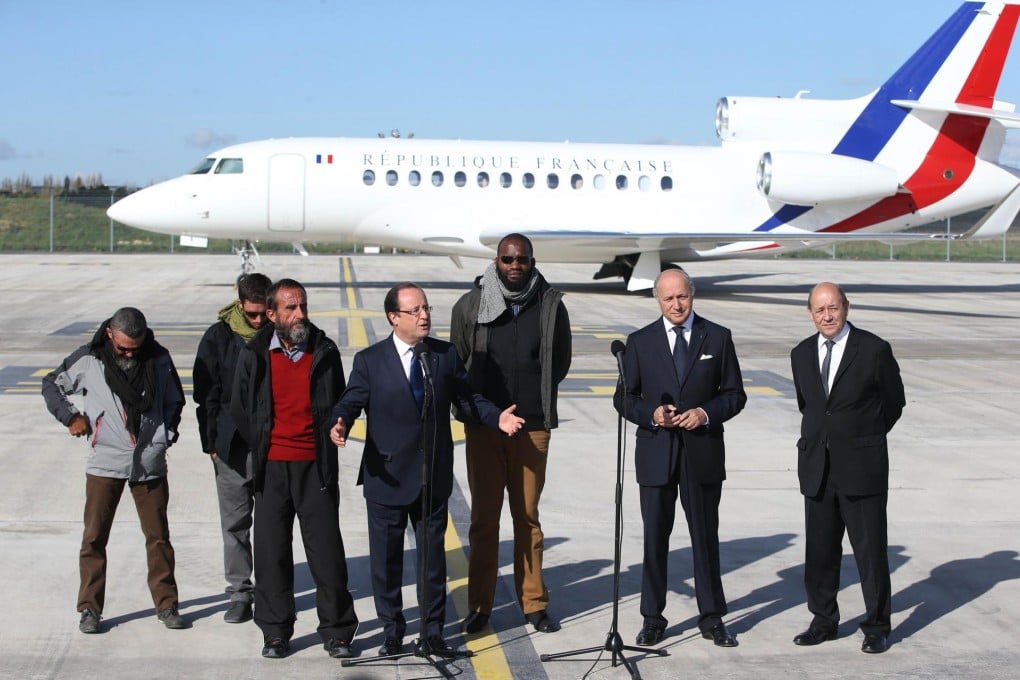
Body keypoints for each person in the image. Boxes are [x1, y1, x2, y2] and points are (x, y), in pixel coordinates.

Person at [329, 282, 524, 657]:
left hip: (431, 476)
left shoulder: (444, 356)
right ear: (393, 317)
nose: (424, 316)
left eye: (426, 308)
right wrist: (341, 421)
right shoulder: (370, 360)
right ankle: (392, 630)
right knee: (386, 564)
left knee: (432, 563)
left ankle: (432, 631)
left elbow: (467, 400)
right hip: (385, 476)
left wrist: (494, 416)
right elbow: (352, 399)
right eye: (415, 310)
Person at [613, 268, 746, 648]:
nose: (676, 304)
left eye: (682, 296)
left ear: (692, 294)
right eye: (668, 298)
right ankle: (652, 618)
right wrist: (651, 415)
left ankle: (712, 616)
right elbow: (623, 397)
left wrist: (705, 413)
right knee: (654, 539)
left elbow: (735, 394)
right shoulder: (639, 342)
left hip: (701, 453)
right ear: (658, 300)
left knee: (705, 538)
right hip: (657, 455)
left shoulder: (718, 337)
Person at [230, 278, 359, 660]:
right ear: (271, 315)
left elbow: (339, 401)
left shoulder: (325, 350)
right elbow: (241, 406)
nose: (300, 313)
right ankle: (275, 631)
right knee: (272, 554)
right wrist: (262, 443)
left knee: (327, 553)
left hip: (315, 468)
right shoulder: (254, 353)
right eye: (290, 307)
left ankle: (337, 632)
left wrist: (340, 423)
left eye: (302, 305)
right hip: (271, 468)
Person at [450, 233, 572, 634]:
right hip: (486, 429)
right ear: (497, 261)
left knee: (528, 518)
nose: (514, 266)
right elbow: (459, 364)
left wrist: (534, 401)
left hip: (533, 428)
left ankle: (534, 603)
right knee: (485, 521)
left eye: (521, 259)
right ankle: (480, 606)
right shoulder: (470, 306)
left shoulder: (551, 306)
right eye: (507, 259)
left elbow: (560, 362)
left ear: (532, 261)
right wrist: (485, 413)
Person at [42, 307, 187, 634]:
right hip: (104, 462)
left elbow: (175, 401)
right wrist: (70, 417)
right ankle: (90, 608)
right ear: (109, 333)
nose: (130, 353)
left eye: (136, 348)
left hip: (149, 462)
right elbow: (51, 384)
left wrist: (166, 437)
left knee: (158, 538)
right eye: (123, 348)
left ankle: (167, 605)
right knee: (94, 538)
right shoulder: (90, 358)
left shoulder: (159, 358)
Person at [790, 282, 905, 654]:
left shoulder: (873, 350)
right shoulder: (801, 353)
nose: (827, 315)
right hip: (817, 467)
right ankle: (823, 620)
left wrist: (862, 439)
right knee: (820, 552)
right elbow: (809, 404)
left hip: (862, 467)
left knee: (870, 553)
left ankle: (877, 625)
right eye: (819, 309)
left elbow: (893, 403)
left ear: (847, 307)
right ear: (810, 313)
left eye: (833, 308)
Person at [192, 272, 271, 624]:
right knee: (235, 525)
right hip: (231, 448)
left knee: (273, 524)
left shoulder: (279, 333)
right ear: (240, 304)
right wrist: (211, 442)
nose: (258, 320)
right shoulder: (218, 337)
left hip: (273, 445)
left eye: (263, 313)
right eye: (252, 314)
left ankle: (272, 592)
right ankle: (240, 593)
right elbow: (204, 393)